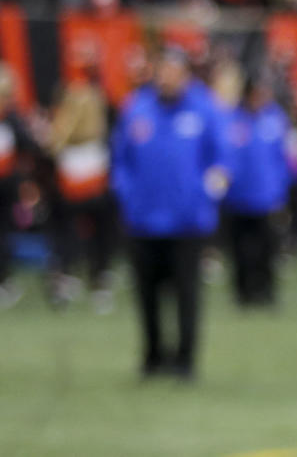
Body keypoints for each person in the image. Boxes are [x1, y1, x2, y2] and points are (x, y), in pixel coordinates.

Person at [111, 46, 228, 379]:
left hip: (187, 222)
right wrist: (126, 193)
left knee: (187, 295)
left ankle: (185, 360)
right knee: (146, 295)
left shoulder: (204, 109)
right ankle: (152, 357)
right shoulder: (136, 108)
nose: (169, 78)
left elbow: (220, 159)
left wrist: (206, 192)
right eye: (164, 70)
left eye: (175, 71)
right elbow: (121, 160)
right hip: (143, 220)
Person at [47, 59, 116, 311]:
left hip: (84, 165)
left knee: (86, 230)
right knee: (77, 230)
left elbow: (56, 140)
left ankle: (89, 278)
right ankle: (79, 277)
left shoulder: (84, 96)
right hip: (81, 166)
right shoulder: (81, 95)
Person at [220, 72, 294, 306]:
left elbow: (284, 158)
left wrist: (282, 190)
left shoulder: (274, 119)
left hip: (267, 197)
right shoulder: (232, 120)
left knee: (267, 250)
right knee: (240, 250)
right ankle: (243, 293)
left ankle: (266, 293)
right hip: (238, 197)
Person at [0, 64, 43, 309]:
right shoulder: (11, 117)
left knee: (4, 232)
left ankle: (3, 278)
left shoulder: (12, 118)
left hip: (6, 186)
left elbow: (28, 144)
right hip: (6, 184)